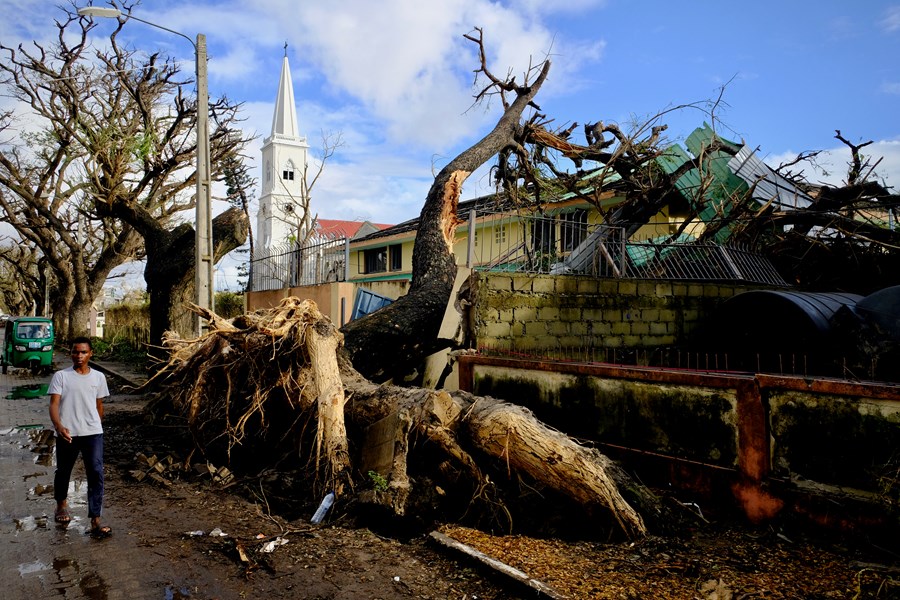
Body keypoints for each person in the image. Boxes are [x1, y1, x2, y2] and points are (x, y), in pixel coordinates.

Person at [48, 336, 111, 538]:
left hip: (92, 433)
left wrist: (96, 424)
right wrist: (59, 426)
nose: (79, 356)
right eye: (75, 352)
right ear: (71, 354)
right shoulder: (61, 376)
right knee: (64, 471)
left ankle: (95, 519)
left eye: (83, 352)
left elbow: (99, 405)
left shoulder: (99, 377)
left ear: (90, 354)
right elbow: (54, 404)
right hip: (68, 433)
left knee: (95, 472)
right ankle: (61, 505)